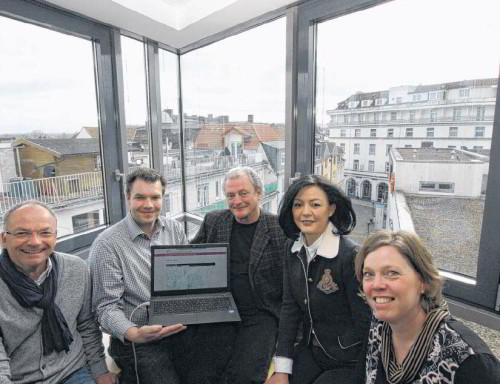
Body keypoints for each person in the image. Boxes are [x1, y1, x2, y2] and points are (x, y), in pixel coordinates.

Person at [175, 166, 288, 384]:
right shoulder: (215, 221)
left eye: (243, 193)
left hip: (261, 313)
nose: (237, 201)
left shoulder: (278, 229)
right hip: (220, 311)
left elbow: (290, 287)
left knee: (245, 376)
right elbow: (191, 261)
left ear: (259, 193)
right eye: (230, 195)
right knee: (200, 372)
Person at [355, 230, 500, 384]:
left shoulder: (469, 360)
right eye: (368, 274)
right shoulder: (379, 326)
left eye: (391, 273)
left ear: (423, 281)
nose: (376, 285)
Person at [266, 174, 371, 384]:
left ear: (331, 209)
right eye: (298, 205)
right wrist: (282, 368)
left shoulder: (349, 256)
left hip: (348, 360)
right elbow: (289, 309)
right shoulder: (292, 248)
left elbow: (366, 322)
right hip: (311, 351)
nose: (305, 212)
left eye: (315, 204)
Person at [89, 168, 188, 384]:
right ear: (128, 198)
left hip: (178, 327)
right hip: (138, 340)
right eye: (140, 197)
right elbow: (105, 308)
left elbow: (185, 278)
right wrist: (133, 333)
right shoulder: (107, 245)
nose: (148, 205)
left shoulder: (174, 229)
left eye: (155, 197)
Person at [0, 201, 116, 384]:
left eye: (45, 232)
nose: (35, 241)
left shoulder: (76, 268)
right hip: (18, 378)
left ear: (55, 237)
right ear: (4, 239)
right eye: (22, 233)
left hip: (72, 370)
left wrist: (100, 371)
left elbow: (86, 325)